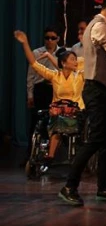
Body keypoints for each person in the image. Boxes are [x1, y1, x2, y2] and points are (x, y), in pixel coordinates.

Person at [59, 0, 106, 206]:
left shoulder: (103, 27)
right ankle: (69, 186)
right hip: (96, 89)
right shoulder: (99, 26)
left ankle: (104, 188)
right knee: (96, 139)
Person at [15, 31, 84, 161]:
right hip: (58, 113)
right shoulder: (54, 76)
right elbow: (34, 63)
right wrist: (25, 43)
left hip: (76, 112)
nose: (76, 62)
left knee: (62, 120)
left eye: (76, 60)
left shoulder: (80, 76)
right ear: (63, 63)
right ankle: (51, 155)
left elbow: (90, 62)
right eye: (72, 59)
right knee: (55, 121)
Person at [25, 27, 59, 160]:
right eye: (47, 38)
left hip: (55, 90)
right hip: (40, 88)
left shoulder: (62, 53)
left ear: (58, 39)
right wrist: (30, 95)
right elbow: (30, 75)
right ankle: (30, 155)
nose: (50, 41)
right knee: (36, 121)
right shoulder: (37, 52)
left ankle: (51, 154)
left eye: (53, 38)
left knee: (55, 122)